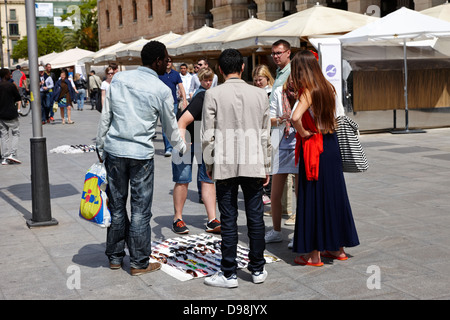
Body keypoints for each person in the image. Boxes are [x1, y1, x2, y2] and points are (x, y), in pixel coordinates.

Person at [96, 40, 186, 276]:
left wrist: (100, 144)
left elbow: (107, 115)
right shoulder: (161, 89)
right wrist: (180, 146)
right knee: (140, 210)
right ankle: (138, 262)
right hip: (140, 155)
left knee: (116, 206)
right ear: (156, 61)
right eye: (166, 60)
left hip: (115, 150)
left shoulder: (120, 79)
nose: (168, 64)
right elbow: (169, 126)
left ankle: (115, 258)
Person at [202, 49, 272, 288]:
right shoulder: (260, 94)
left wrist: (209, 164)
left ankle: (229, 272)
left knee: (229, 218)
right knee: (255, 217)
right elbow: (265, 134)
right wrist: (266, 165)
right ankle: (257, 268)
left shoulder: (213, 94)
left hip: (225, 161)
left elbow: (207, 135)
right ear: (243, 67)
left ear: (220, 70)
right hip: (253, 161)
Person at [290, 50, 359, 267]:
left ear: (301, 69)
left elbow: (294, 117)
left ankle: (313, 255)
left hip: (314, 146)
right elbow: (338, 117)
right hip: (331, 144)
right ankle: (337, 249)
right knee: (334, 195)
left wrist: (302, 133)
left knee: (312, 197)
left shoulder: (308, 91)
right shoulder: (329, 87)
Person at [171, 67, 220, 234]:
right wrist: (182, 143)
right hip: (187, 137)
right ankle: (177, 218)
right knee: (183, 178)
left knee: (207, 178)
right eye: (205, 79)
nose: (207, 82)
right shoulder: (202, 96)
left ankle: (212, 219)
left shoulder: (213, 95)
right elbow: (182, 121)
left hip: (204, 138)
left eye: (210, 79)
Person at [265, 39, 296, 244]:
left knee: (298, 191)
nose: (276, 56)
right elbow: (273, 116)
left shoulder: (291, 74)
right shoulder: (278, 78)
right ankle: (276, 230)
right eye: (274, 53)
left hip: (295, 139)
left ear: (288, 53)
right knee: (276, 191)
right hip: (279, 137)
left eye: (279, 53)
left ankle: (298, 232)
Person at [252, 64, 274, 206]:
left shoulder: (272, 92)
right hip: (257, 131)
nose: (258, 83)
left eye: (260, 79)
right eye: (256, 80)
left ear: (267, 78)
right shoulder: (254, 93)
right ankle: (263, 191)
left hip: (271, 130)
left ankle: (268, 191)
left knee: (268, 161)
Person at [159, 57, 187, 157]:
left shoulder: (176, 74)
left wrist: (184, 100)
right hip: (162, 103)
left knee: (173, 124)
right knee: (165, 126)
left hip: (173, 103)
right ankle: (168, 148)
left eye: (169, 61)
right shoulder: (160, 74)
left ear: (172, 63)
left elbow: (181, 87)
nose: (168, 63)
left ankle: (174, 145)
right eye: (166, 61)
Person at [0, 68, 22, 165]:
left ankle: (5, 157)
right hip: (11, 113)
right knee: (16, 132)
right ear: (6, 75)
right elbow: (18, 97)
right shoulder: (10, 86)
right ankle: (13, 154)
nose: (11, 75)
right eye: (9, 74)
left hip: (1, 114)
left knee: (4, 136)